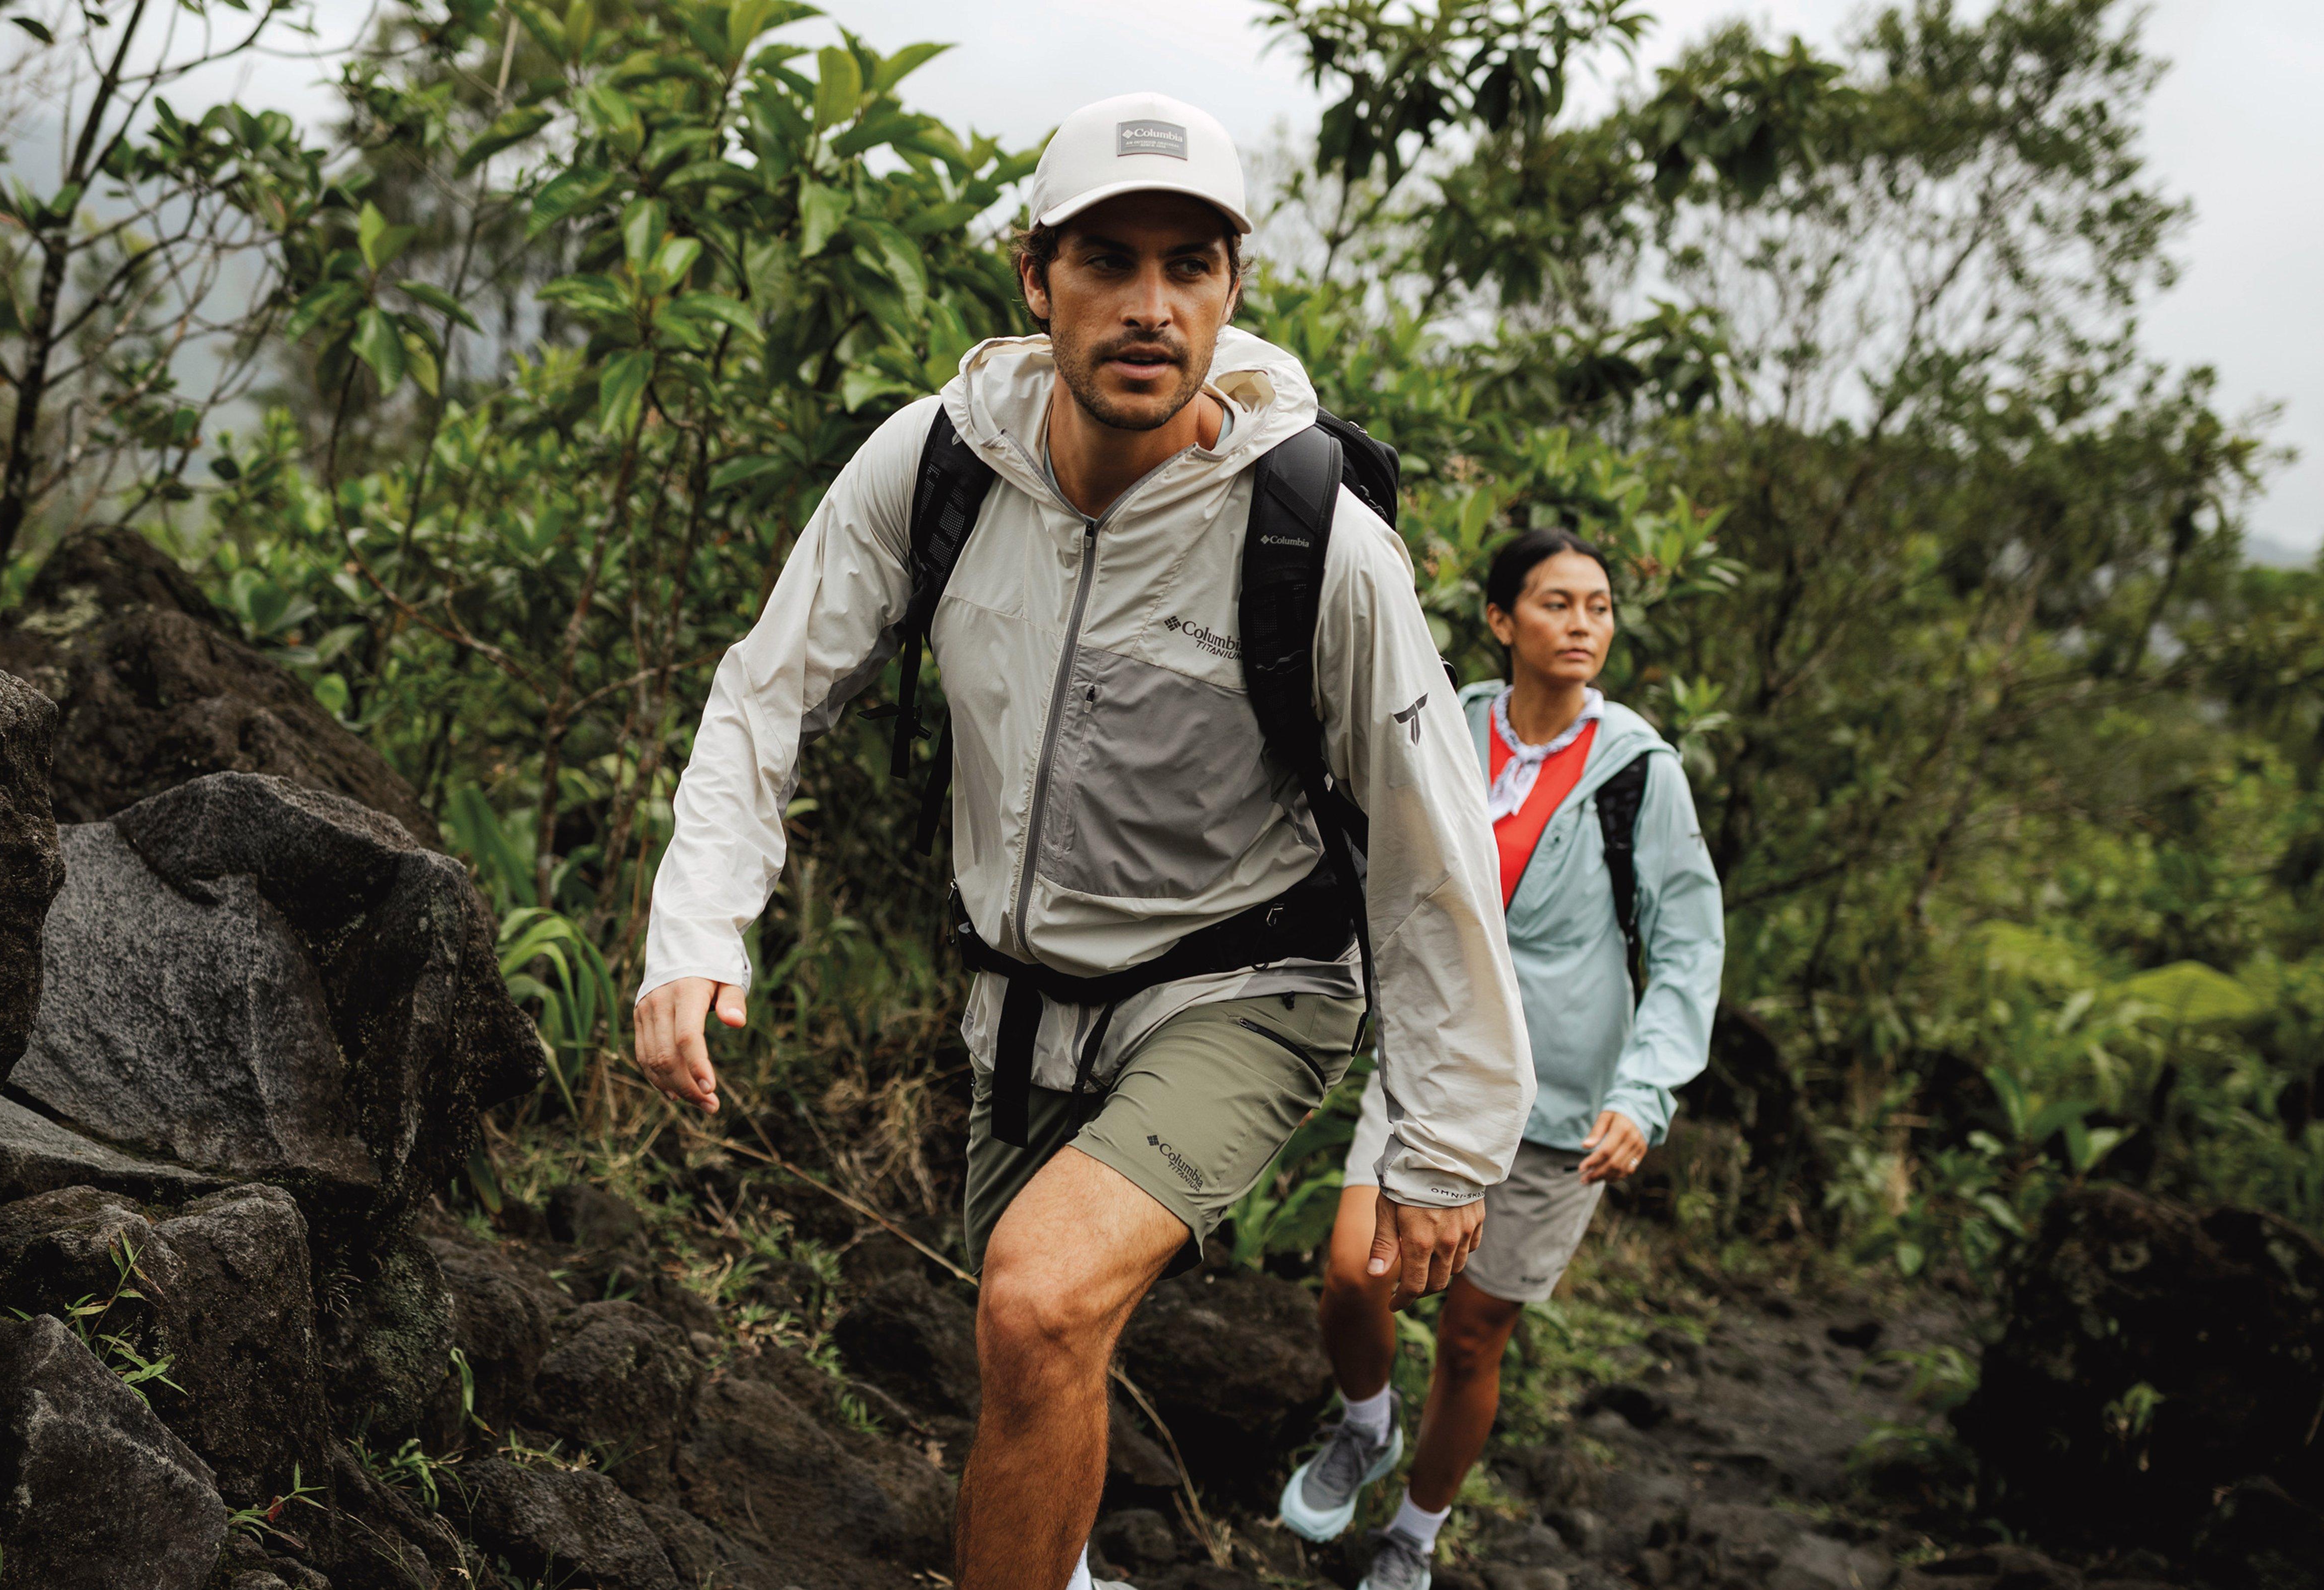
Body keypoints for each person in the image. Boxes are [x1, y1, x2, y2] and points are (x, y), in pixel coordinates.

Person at [630, 91, 1534, 1590]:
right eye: (1106, 259)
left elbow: (1429, 834)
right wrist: (696, 929)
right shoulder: (937, 469)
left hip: (1243, 984)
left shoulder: (1316, 536)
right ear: (1031, 274)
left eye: (1192, 264)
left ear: (1235, 286)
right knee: (1043, 1349)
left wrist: (1446, 1132)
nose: (1150, 305)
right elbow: (765, 693)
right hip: (1021, 997)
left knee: (1037, 1303)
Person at [1278, 528, 1726, 1590]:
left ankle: (1412, 1539)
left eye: (1601, 606)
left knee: (1475, 1336)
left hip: (1565, 1101)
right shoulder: (1446, 724)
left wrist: (1646, 1088)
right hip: (1431, 1061)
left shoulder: (1637, 772)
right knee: (1355, 1274)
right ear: (1498, 620)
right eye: (1557, 602)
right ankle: (1365, 1424)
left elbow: (1689, 942)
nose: (1583, 625)